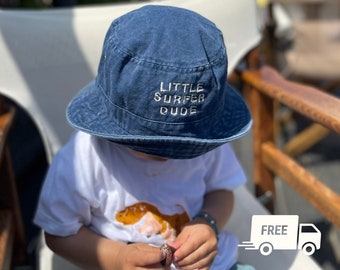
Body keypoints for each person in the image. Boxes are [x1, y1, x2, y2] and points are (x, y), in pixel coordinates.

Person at [34, 5, 255, 270]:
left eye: (185, 148)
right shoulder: (83, 157)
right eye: (151, 147)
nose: (166, 157)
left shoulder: (205, 135)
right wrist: (117, 258)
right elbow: (59, 233)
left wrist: (208, 222)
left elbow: (221, 191)